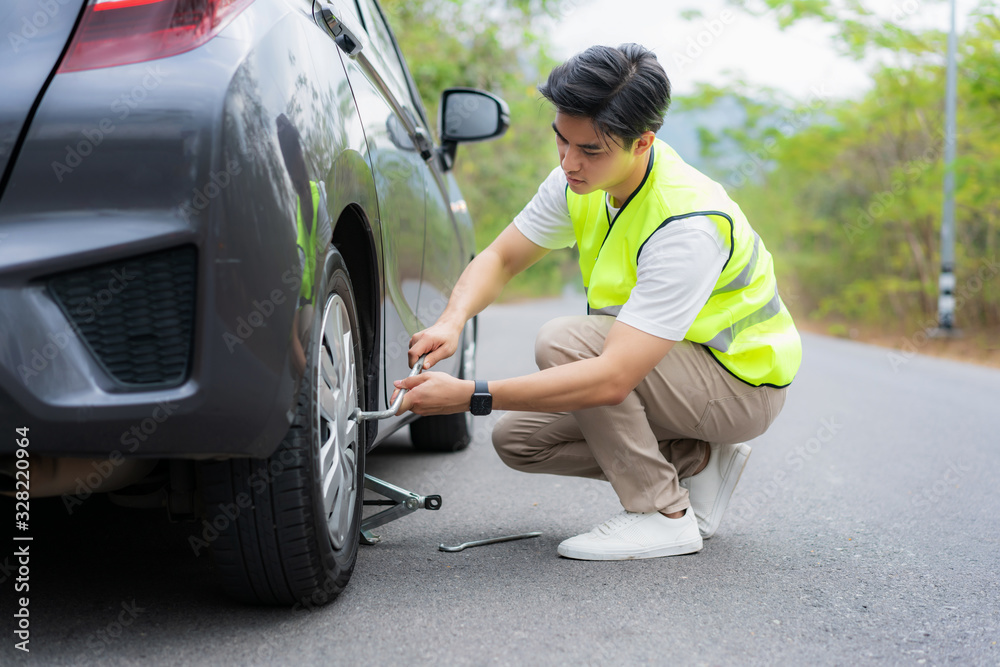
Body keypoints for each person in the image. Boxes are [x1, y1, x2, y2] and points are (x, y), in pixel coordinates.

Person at [392, 43, 801, 560]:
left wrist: (470, 394)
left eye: (590, 150)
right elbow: (500, 258)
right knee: (518, 439)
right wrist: (452, 321)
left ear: (642, 143)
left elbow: (611, 377)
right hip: (674, 375)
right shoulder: (577, 180)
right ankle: (695, 460)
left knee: (563, 342)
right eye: (561, 141)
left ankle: (662, 513)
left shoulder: (687, 223)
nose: (569, 162)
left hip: (739, 386)